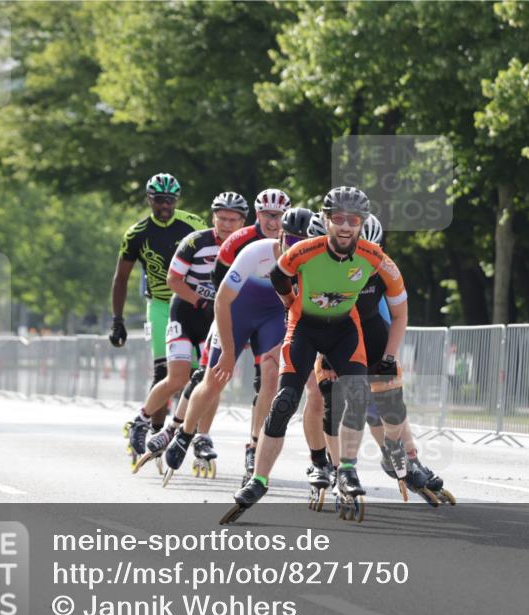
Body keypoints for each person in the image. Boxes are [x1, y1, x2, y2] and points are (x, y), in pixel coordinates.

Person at [220, 186, 407, 525]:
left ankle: (346, 470)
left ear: (362, 223)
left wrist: (391, 355)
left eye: (354, 220)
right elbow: (279, 276)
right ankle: (258, 481)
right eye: (338, 219)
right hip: (304, 328)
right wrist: (291, 303)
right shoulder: (304, 251)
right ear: (326, 220)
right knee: (285, 401)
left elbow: (400, 311)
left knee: (357, 395)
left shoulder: (375, 256)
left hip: (344, 331)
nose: (346, 226)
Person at [306, 213, 452, 506]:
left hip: (373, 332)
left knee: (386, 402)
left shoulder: (384, 267)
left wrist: (388, 358)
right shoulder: (318, 267)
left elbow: (398, 316)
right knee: (333, 400)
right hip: (332, 336)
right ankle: (337, 471)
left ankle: (405, 457)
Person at [161, 203, 306, 487]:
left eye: (301, 244)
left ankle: (254, 446)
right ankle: (186, 433)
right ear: (280, 237)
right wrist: (228, 352)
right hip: (236, 311)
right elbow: (223, 299)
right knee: (215, 378)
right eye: (290, 241)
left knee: (271, 378)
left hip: (273, 317)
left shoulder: (308, 259)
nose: (294, 249)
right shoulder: (256, 252)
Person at [130, 191, 249, 475]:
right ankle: (142, 419)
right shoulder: (196, 241)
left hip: (218, 318)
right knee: (178, 377)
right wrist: (199, 300)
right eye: (221, 219)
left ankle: (202, 437)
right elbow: (173, 279)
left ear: (243, 221)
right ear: (213, 218)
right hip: (186, 311)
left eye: (233, 220)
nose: (226, 225)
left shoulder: (248, 246)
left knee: (213, 377)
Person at [110, 173, 207, 461]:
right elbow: (121, 277)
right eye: (159, 199)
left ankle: (193, 433)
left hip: (194, 302)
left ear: (177, 200)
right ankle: (155, 430)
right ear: (148, 199)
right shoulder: (136, 233)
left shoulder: (193, 224)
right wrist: (118, 319)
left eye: (170, 200)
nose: (165, 205)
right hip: (162, 304)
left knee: (196, 374)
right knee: (164, 372)